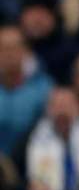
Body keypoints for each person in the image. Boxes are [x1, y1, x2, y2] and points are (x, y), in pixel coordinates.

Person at [0, 25, 53, 155]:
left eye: (15, 48)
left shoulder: (44, 87)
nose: (10, 54)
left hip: (33, 159)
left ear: (26, 51)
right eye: (3, 48)